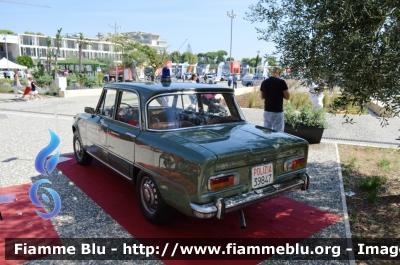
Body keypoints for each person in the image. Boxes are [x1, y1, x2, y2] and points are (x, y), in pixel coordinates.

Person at [260, 67, 290, 132]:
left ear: (272, 73)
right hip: (277, 112)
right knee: (278, 134)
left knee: (266, 133)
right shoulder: (281, 82)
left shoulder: (264, 82)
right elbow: (287, 97)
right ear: (279, 73)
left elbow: (262, 96)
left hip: (267, 111)